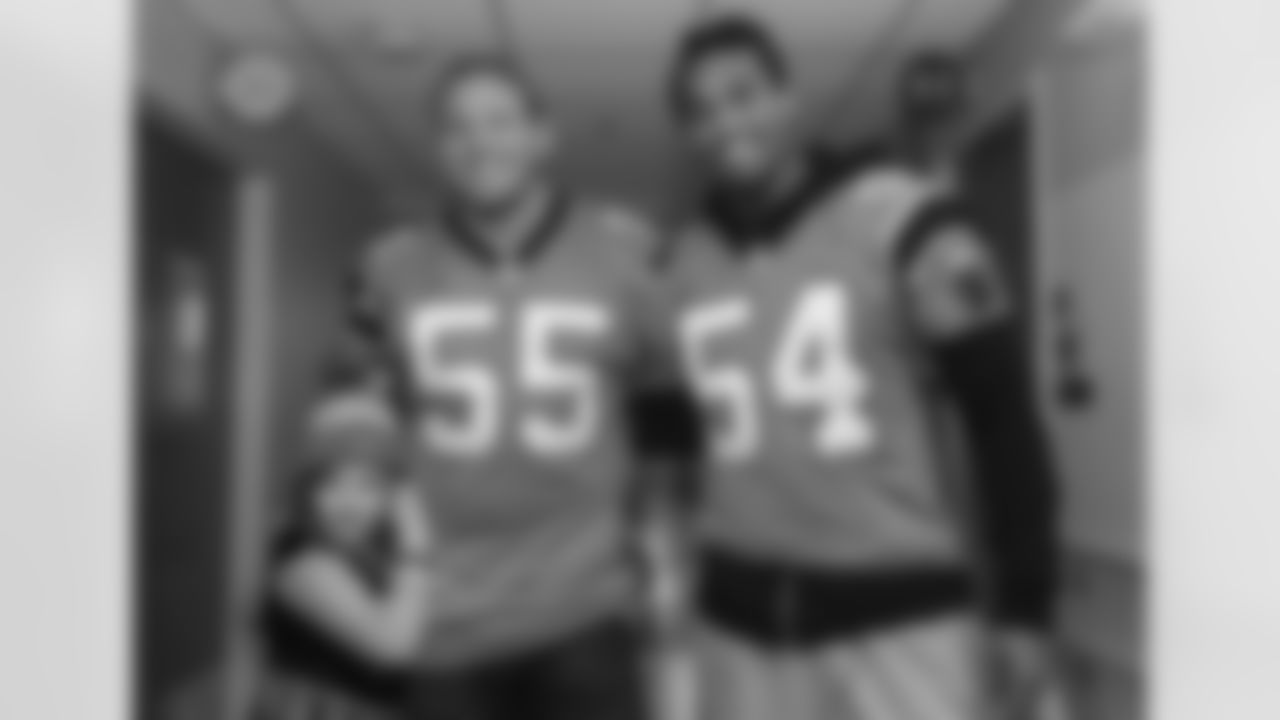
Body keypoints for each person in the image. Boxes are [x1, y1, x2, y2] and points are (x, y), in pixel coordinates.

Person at [658, 13, 1060, 720]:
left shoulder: (904, 221)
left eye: (743, 95)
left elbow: (1002, 415)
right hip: (739, 628)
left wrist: (1026, 604)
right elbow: (682, 439)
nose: (725, 122)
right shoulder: (681, 264)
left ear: (788, 98)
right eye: (702, 110)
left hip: (898, 616)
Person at [325, 55, 668, 720]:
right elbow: (353, 423)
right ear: (438, 148)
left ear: (543, 135)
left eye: (500, 120)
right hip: (445, 616)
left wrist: (657, 551)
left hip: (587, 610)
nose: (479, 142)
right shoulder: (389, 267)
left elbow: (672, 414)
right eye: (457, 126)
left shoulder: (627, 254)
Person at [257, 388, 433, 720]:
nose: (349, 503)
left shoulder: (375, 555)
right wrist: (416, 541)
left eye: (368, 485)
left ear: (392, 495)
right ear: (308, 489)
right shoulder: (301, 558)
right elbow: (393, 649)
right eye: (332, 484)